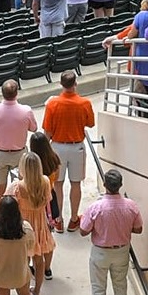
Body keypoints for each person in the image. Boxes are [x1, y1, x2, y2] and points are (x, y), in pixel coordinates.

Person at [78, 168, 142, 295]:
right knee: (120, 286)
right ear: (120, 185)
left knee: (99, 288)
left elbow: (83, 231)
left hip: (100, 252)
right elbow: (139, 228)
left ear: (105, 185)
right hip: (121, 251)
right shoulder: (131, 206)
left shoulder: (95, 207)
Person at [39, 72, 94, 222]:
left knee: (57, 184)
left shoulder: (52, 104)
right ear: (75, 83)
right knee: (76, 184)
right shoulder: (85, 103)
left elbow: (47, 131)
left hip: (57, 148)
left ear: (61, 84)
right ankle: (74, 218)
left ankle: (58, 219)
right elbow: (90, 123)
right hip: (77, 147)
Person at [0, 80, 37, 200]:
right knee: (21, 187)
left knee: (0, 189)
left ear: (2, 93)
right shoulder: (26, 110)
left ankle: (1, 216)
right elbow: (34, 128)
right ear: (16, 93)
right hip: (19, 154)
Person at [13, 149, 58, 295]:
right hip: (40, 226)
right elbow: (48, 200)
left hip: (24, 228)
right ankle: (37, 292)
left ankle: (25, 291)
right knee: (39, 261)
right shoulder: (45, 181)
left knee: (24, 262)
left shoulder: (17, 187)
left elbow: (8, 204)